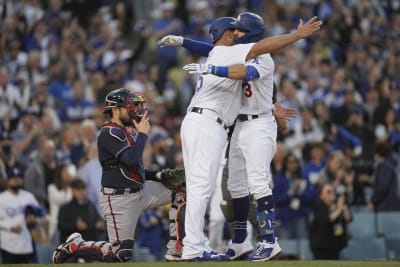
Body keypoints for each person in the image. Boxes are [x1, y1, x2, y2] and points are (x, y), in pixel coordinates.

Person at [158, 15, 322, 261]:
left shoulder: (262, 58)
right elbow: (212, 50)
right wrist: (184, 41)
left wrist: (209, 67)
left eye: (242, 31)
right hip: (233, 125)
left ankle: (269, 241)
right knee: (234, 186)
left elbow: (245, 73)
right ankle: (239, 242)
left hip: (258, 124)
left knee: (256, 182)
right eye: (235, 31)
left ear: (252, 34)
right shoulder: (231, 51)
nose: (237, 33)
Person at [52, 88, 185, 263]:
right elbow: (130, 159)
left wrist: (159, 175)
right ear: (115, 110)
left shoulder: (126, 132)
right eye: (129, 106)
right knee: (120, 254)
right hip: (118, 199)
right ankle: (75, 245)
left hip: (139, 191)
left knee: (180, 190)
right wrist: (143, 134)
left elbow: (133, 171)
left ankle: (176, 249)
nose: (134, 111)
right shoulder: (108, 132)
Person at [0, 167, 39, 263]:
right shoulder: (2, 198)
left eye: (19, 178)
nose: (16, 181)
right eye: (13, 178)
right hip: (8, 243)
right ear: (8, 180)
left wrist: (34, 219)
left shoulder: (29, 197)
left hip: (25, 242)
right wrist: (10, 227)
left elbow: (39, 214)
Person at [309, 182, 352, 259]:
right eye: (328, 192)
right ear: (321, 195)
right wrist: (339, 209)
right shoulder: (319, 205)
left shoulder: (337, 204)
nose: (332, 194)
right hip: (322, 245)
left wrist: (343, 207)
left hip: (335, 244)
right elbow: (326, 219)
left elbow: (349, 218)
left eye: (333, 191)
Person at [57, 178, 105, 243]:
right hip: (72, 246)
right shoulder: (66, 207)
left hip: (89, 245)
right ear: (73, 190)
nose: (81, 191)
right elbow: (61, 226)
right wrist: (75, 225)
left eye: (83, 188)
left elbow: (98, 220)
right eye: (78, 189)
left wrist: (100, 224)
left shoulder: (90, 205)